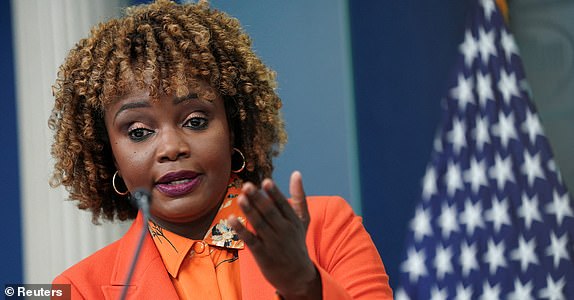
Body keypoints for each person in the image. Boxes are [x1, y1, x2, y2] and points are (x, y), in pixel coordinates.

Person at [49, 0, 393, 299]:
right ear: (109, 154)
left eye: (195, 121)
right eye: (139, 131)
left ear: (233, 129)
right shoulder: (81, 289)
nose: (171, 147)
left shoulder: (326, 228)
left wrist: (304, 285)